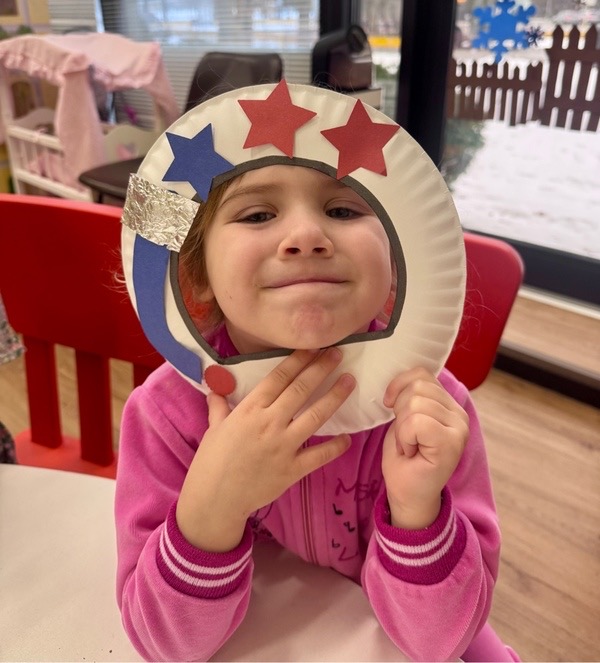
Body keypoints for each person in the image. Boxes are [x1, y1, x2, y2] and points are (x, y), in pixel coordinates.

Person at [115, 82, 519, 662]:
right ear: (196, 275)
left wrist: (417, 512)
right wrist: (212, 511)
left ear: (400, 255)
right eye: (257, 213)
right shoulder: (168, 415)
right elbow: (165, 646)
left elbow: (442, 644)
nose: (306, 236)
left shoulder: (429, 414)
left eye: (342, 209)